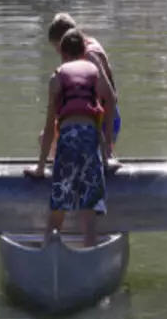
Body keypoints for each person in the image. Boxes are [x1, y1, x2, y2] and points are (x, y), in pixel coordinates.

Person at [24, 29, 117, 248]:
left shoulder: (57, 77)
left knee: (57, 213)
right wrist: (108, 150)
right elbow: (111, 99)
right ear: (83, 51)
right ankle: (90, 261)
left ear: (63, 55)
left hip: (67, 139)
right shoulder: (94, 70)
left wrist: (40, 167)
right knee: (89, 216)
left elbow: (49, 128)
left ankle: (48, 253)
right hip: (89, 139)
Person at [43, 12, 121, 162]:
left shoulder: (90, 56)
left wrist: (108, 145)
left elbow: (110, 99)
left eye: (58, 48)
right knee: (45, 138)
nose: (58, 54)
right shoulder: (80, 51)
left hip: (104, 120)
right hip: (87, 116)